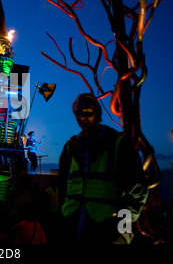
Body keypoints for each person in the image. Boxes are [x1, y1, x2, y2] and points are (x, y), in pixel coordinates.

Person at [58, 93, 148, 243]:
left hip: (107, 232)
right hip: (73, 229)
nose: (82, 117)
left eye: (87, 112)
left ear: (98, 114)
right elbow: (62, 188)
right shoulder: (70, 148)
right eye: (78, 113)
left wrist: (122, 232)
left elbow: (138, 191)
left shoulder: (119, 145)